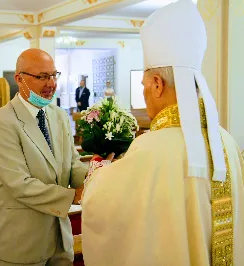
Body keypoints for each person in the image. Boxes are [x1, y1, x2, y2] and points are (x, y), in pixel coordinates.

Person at [81, 0, 244, 265]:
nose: (145, 94)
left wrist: (99, 171)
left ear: (157, 85)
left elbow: (102, 207)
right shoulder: (225, 141)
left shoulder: (149, 148)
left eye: (145, 85)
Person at [0, 48, 88, 266]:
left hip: (60, 238)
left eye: (53, 75)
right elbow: (19, 184)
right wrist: (73, 196)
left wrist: (100, 177)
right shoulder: (1, 122)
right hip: (23, 240)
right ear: (19, 79)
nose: (51, 84)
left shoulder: (59, 116)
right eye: (42, 77)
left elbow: (72, 165)